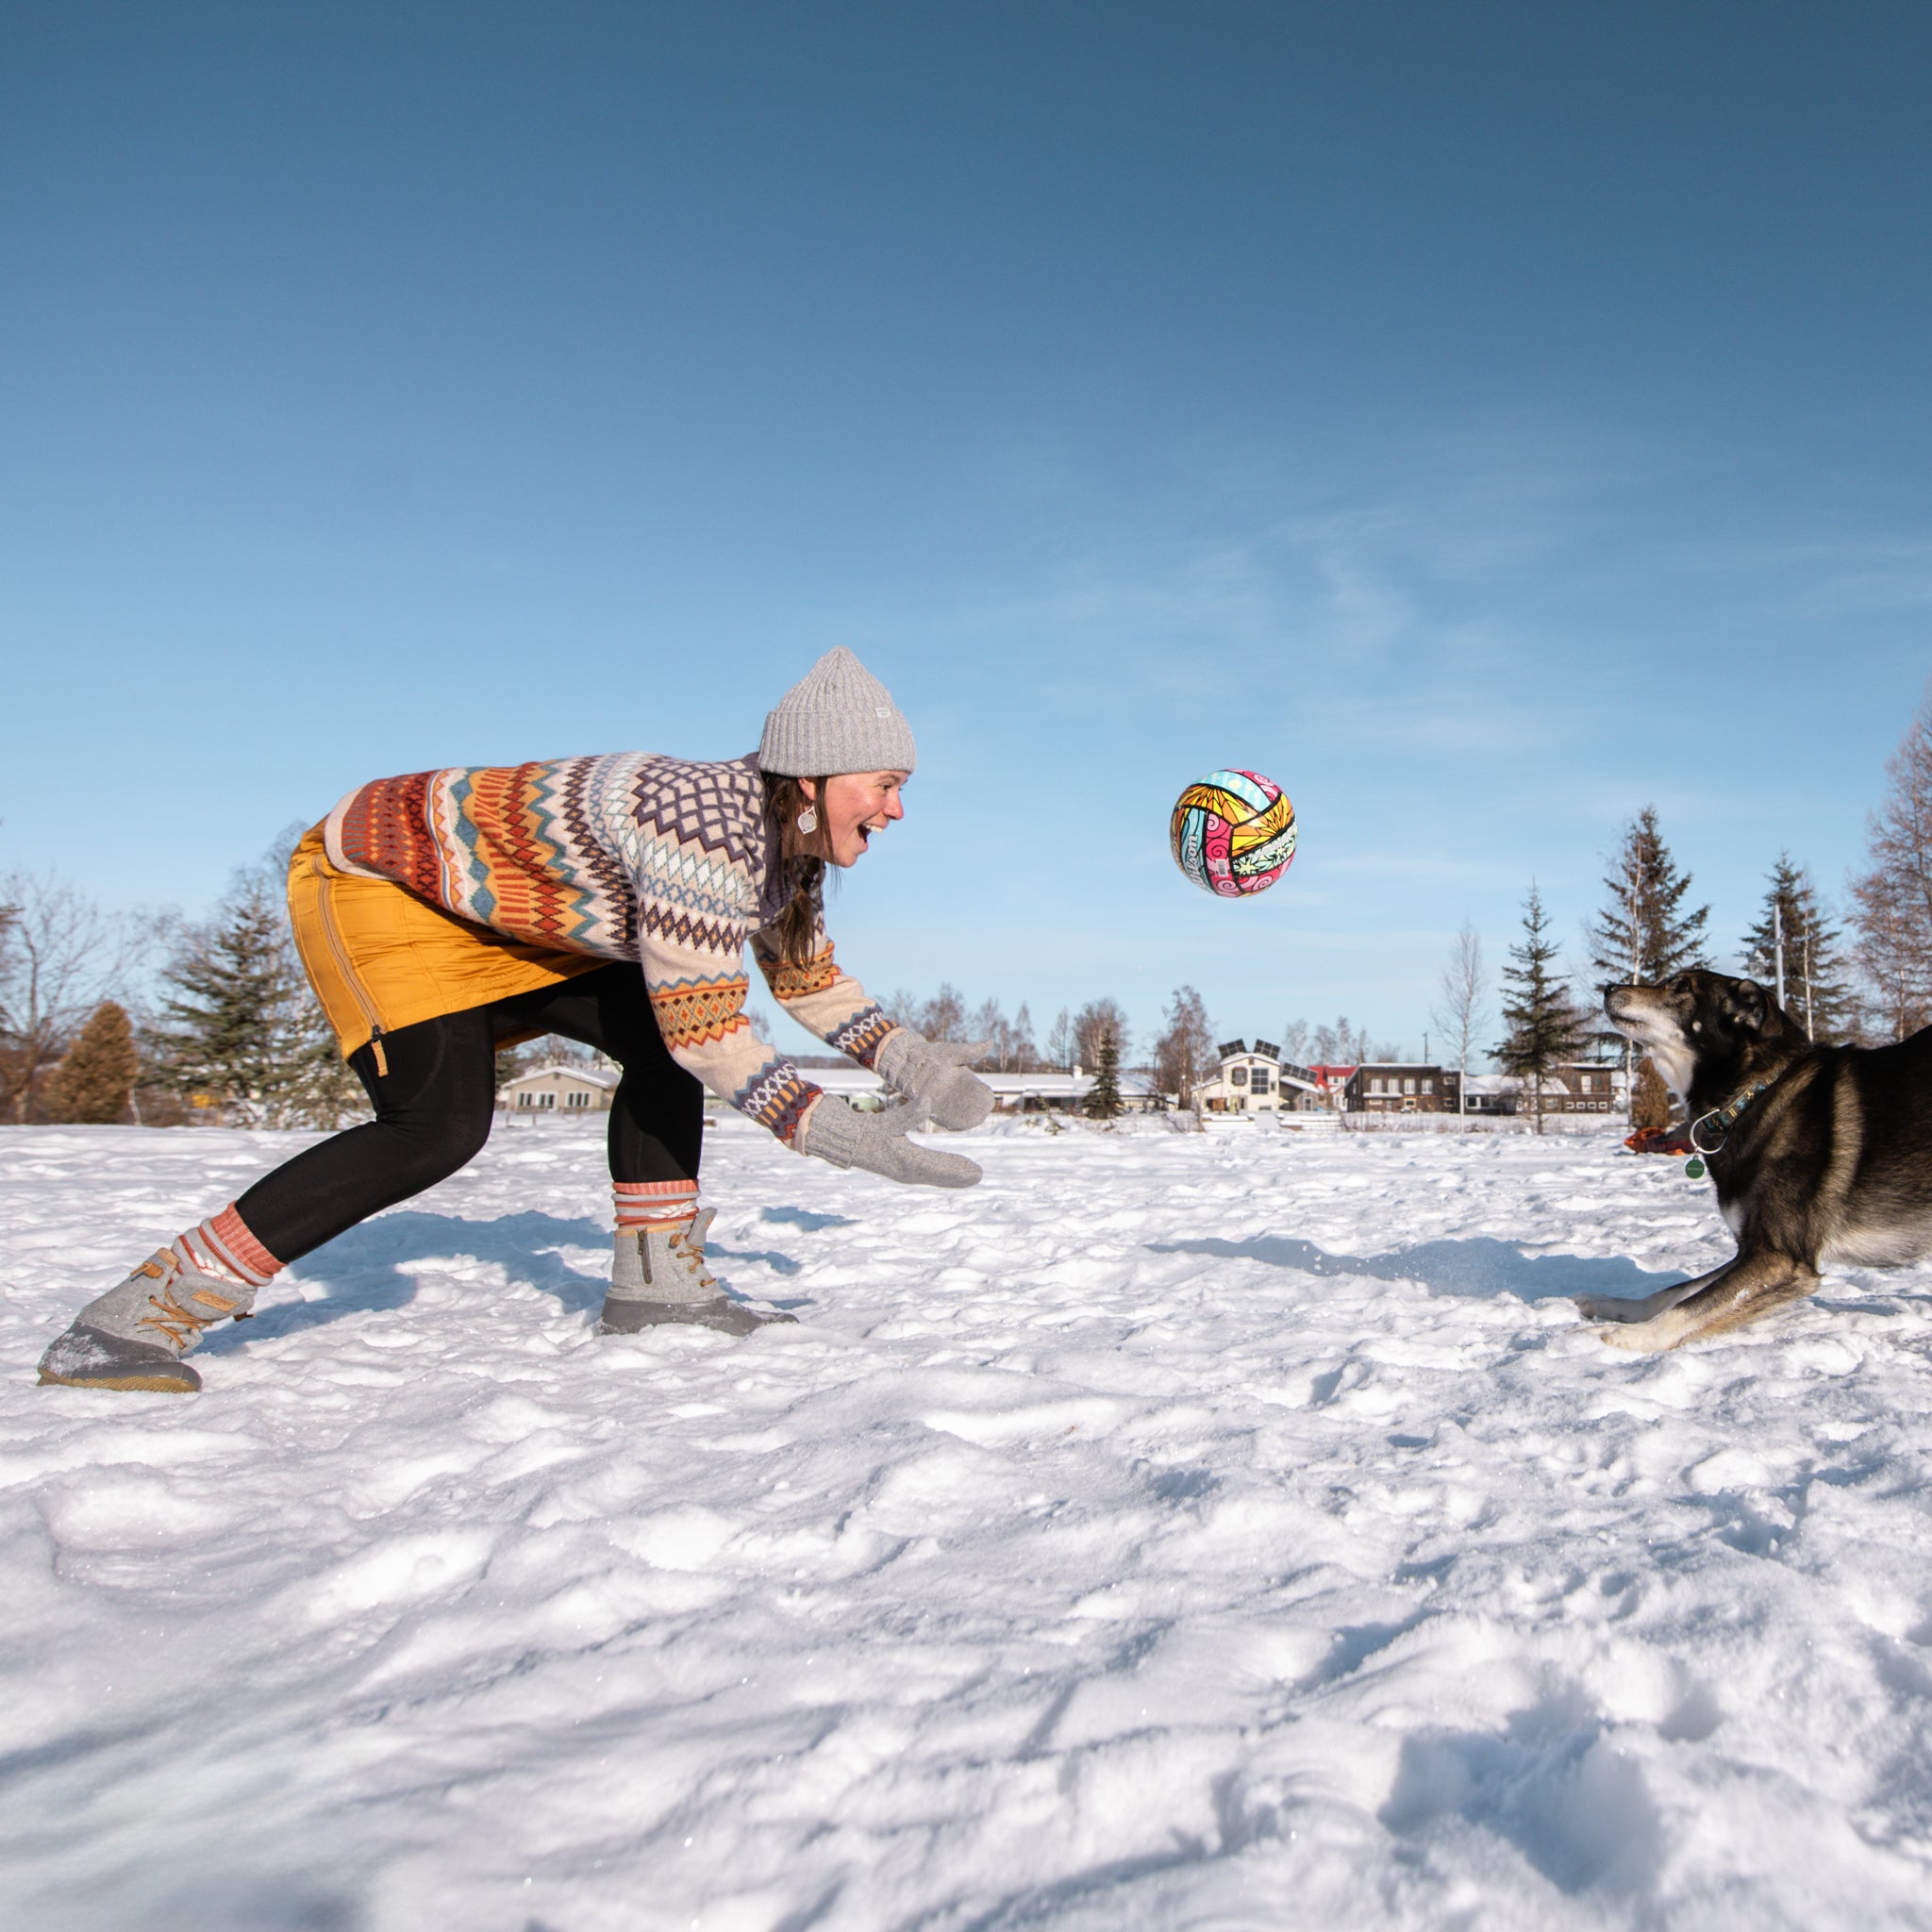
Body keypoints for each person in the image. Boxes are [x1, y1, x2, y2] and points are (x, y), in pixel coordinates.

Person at [38, 648, 991, 1393]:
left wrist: (916, 1067)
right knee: (436, 1126)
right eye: (883, 782)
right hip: (383, 884)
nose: (897, 808)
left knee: (655, 1037)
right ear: (812, 775)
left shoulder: (786, 848)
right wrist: (843, 1136)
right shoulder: (705, 825)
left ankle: (655, 1280)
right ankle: (141, 1308)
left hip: (508, 914)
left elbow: (807, 978)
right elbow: (709, 1028)